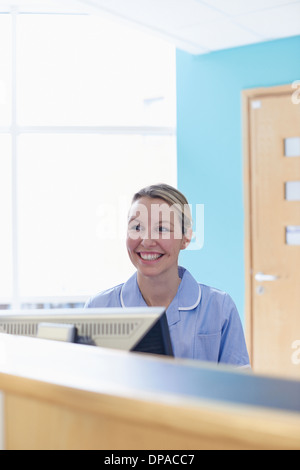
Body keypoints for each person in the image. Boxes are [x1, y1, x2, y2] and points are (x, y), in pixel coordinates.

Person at [85, 183, 250, 368]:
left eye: (162, 229)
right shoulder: (98, 308)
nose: (147, 241)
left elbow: (237, 389)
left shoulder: (220, 308)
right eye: (136, 227)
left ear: (186, 238)